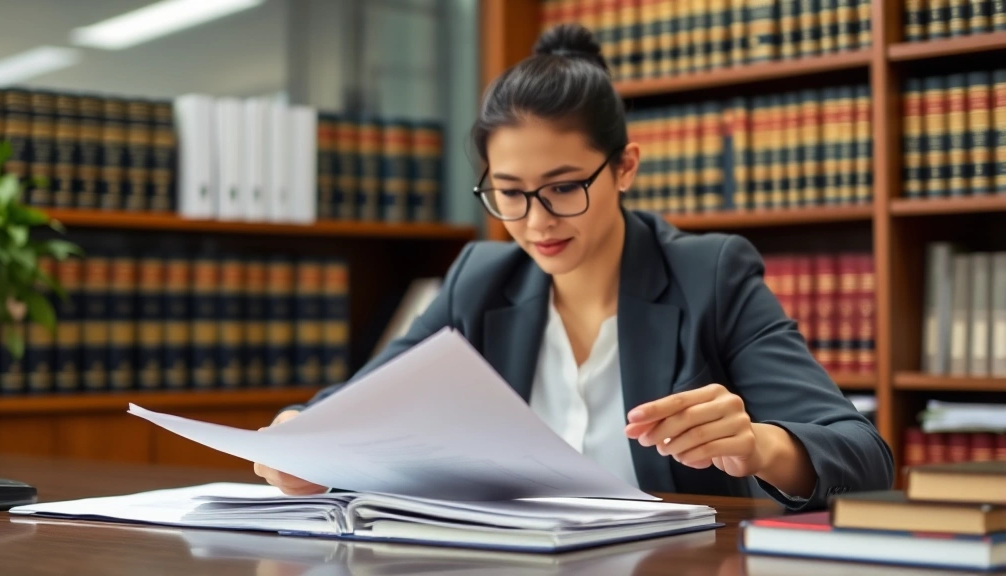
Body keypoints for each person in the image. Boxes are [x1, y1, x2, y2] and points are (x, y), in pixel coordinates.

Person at [254, 23, 894, 510]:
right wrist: (302, 439)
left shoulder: (711, 275)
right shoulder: (481, 279)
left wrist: (761, 446)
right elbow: (351, 409)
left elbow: (865, 458)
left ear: (624, 167)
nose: (535, 222)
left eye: (563, 188)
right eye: (509, 192)